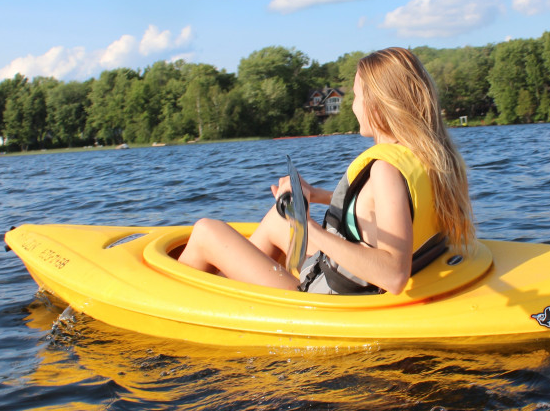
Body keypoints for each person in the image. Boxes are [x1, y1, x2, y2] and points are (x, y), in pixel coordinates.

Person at [177, 47, 474, 295]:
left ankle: (191, 302)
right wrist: (315, 195)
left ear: (378, 106)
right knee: (274, 222)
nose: (352, 106)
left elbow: (395, 276)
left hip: (333, 299)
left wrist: (307, 229)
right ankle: (232, 289)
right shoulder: (430, 158)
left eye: (356, 97)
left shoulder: (385, 170)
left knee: (207, 231)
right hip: (345, 280)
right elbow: (388, 211)